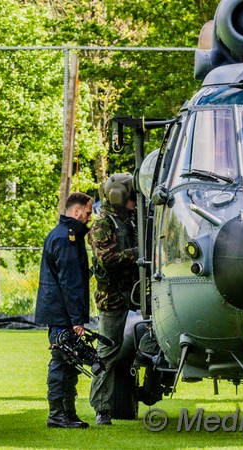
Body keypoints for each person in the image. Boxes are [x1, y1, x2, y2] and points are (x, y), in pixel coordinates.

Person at [35, 192, 94, 429]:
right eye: (88, 212)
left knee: (70, 362)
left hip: (61, 312)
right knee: (61, 362)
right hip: (63, 314)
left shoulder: (65, 236)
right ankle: (58, 414)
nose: (90, 217)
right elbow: (70, 283)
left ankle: (67, 413)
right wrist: (77, 320)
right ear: (77, 211)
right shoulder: (65, 239)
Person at [88, 173, 139, 426]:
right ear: (120, 197)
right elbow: (108, 260)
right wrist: (139, 253)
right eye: (132, 197)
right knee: (107, 352)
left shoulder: (129, 221)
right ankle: (102, 409)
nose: (135, 202)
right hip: (113, 297)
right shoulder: (103, 225)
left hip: (137, 292)